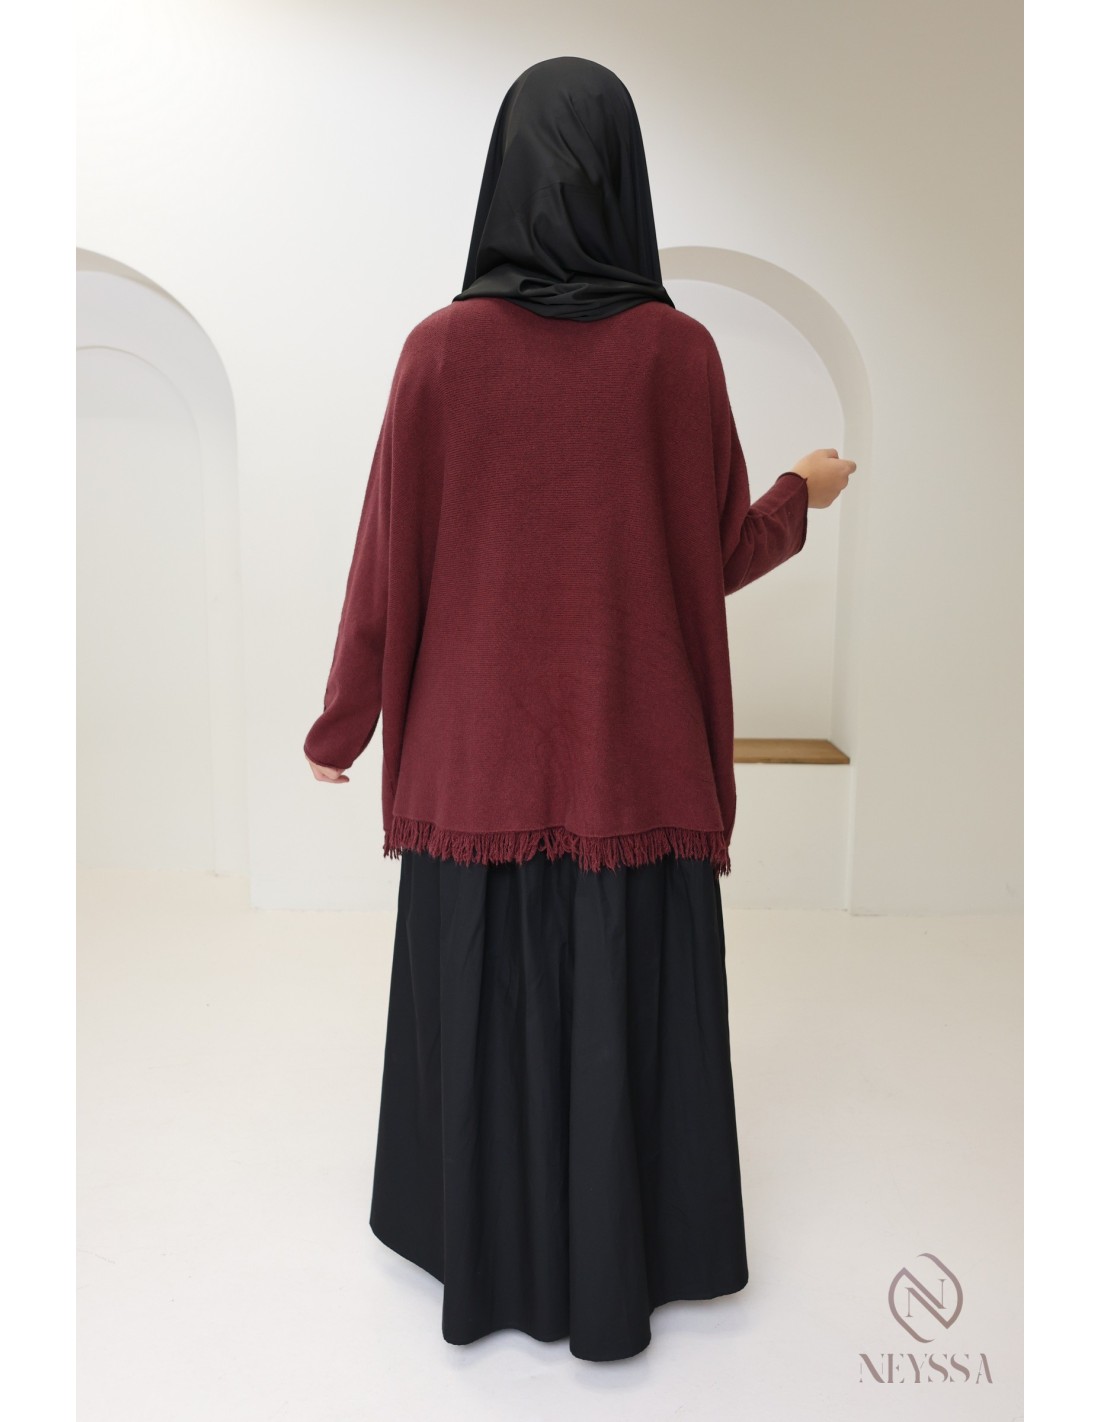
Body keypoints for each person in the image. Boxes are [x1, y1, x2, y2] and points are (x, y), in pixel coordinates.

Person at [303, 55, 854, 1362]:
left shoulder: (439, 354)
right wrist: (802, 491)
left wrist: (344, 722)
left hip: (474, 773)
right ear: (625, 179)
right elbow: (713, 554)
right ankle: (631, 1252)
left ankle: (481, 1247)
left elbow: (387, 558)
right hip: (633, 769)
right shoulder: (677, 354)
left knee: (483, 1000)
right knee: (626, 1007)